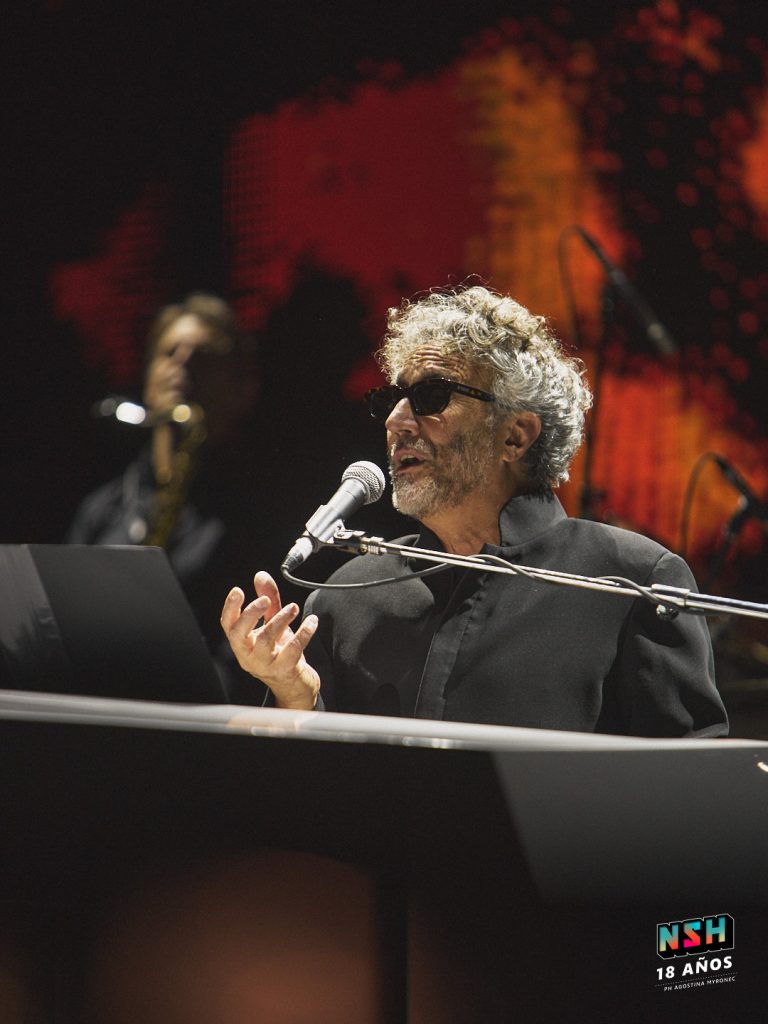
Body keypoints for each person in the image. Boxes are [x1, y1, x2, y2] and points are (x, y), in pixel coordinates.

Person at [221, 285, 727, 736]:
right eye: (392, 399)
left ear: (515, 435)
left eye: (431, 396)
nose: (397, 420)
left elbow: (690, 787)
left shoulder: (633, 582)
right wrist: (294, 697)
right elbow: (310, 788)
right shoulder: (346, 599)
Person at [68, 293, 263, 701]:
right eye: (169, 352)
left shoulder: (255, 517)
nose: (182, 365)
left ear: (240, 389)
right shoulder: (101, 508)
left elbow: (246, 672)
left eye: (203, 357)